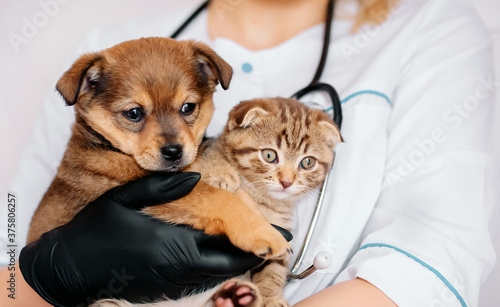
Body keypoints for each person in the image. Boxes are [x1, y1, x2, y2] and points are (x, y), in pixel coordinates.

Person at [1, 0, 498, 306]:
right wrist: (44, 276)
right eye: (134, 114)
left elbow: (432, 260)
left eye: (191, 109)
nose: (171, 140)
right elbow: (7, 240)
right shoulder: (106, 53)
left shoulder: (432, 27)